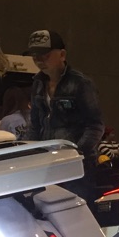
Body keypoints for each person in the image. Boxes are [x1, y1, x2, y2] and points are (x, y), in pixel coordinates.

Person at [23, 29, 104, 163]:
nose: (39, 61)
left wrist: (76, 153)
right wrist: (25, 153)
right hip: (47, 161)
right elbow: (35, 125)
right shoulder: (38, 84)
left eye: (45, 55)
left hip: (77, 162)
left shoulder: (80, 83)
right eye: (34, 56)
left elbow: (95, 126)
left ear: (62, 55)